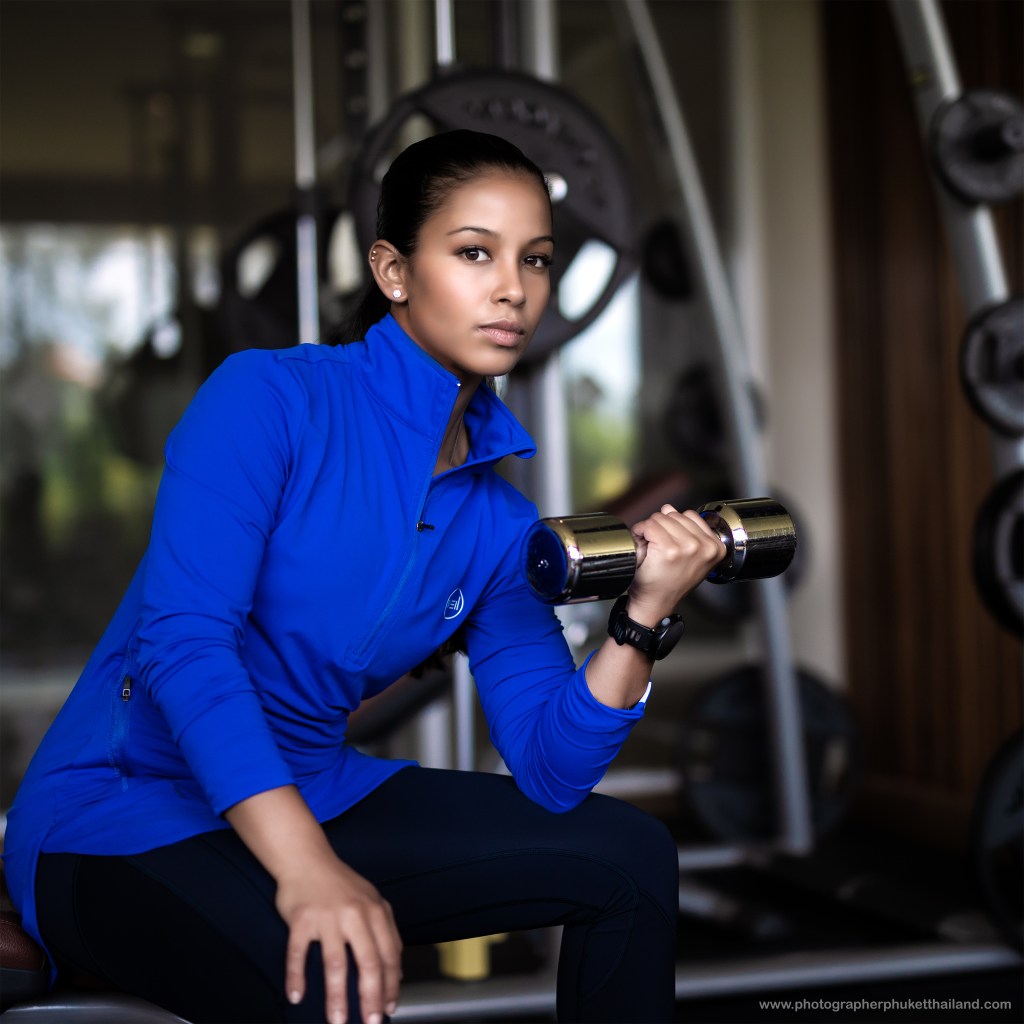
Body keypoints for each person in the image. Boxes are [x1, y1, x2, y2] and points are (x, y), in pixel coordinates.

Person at [2, 129, 726, 1024]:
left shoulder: (496, 520)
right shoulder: (269, 399)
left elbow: (551, 769)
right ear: (393, 272)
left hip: (319, 788)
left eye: (536, 260)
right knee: (330, 977)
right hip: (125, 809)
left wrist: (643, 619)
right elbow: (183, 645)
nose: (514, 287)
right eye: (474, 253)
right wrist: (308, 870)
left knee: (629, 857)